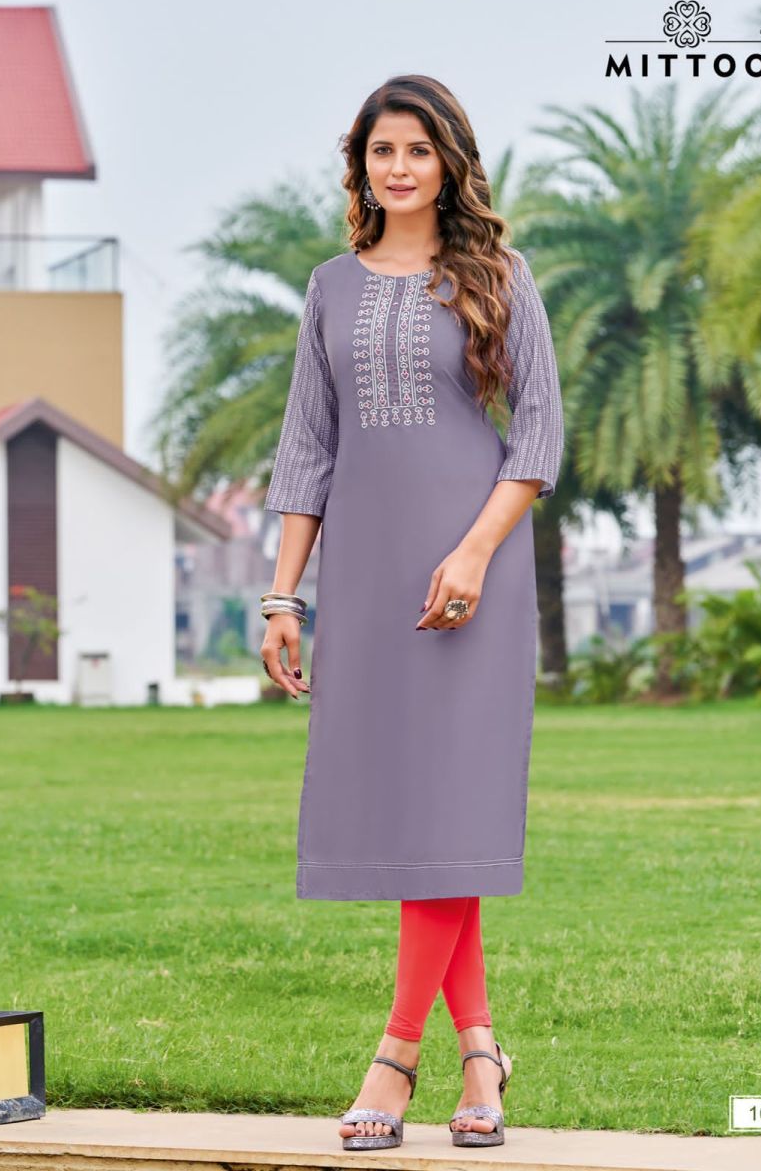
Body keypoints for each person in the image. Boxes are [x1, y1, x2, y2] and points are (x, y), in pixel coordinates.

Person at [260, 74, 563, 1152]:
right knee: (416, 817)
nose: (397, 168)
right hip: (365, 574)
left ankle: (394, 1056)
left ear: (448, 164)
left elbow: (538, 435)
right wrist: (284, 595)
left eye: (417, 150)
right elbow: (307, 449)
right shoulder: (330, 288)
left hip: (472, 571)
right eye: (380, 151)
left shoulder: (499, 276)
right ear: (361, 166)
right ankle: (481, 1053)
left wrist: (474, 552)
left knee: (449, 808)